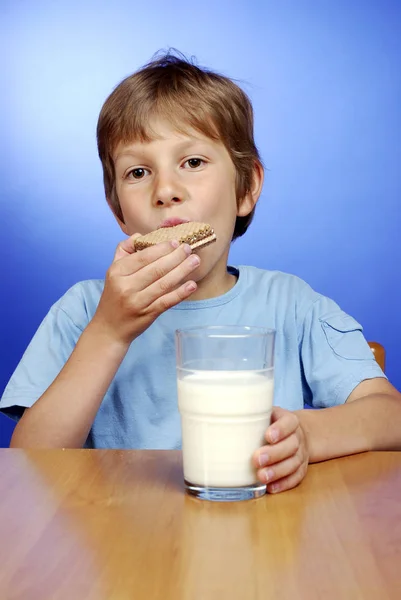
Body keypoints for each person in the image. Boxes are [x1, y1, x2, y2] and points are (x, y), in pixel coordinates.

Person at [1, 52, 400, 494]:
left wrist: (309, 435)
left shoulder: (290, 304)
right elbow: (28, 462)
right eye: (138, 171)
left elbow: (390, 416)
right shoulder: (83, 312)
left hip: (264, 535)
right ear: (119, 213)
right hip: (119, 541)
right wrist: (109, 334)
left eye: (192, 162)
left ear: (245, 189)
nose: (166, 191)